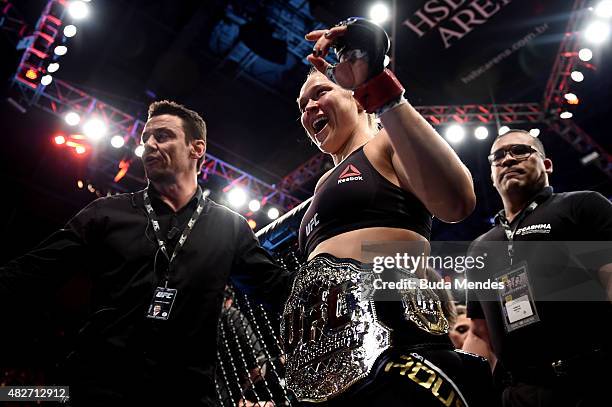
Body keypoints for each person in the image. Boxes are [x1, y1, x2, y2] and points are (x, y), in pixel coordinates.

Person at [0, 100, 289, 406]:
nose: (149, 145)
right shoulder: (106, 213)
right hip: (96, 389)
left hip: (185, 395)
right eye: (145, 139)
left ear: (197, 149)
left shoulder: (229, 228)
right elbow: (30, 271)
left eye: (162, 136)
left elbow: (281, 291)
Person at [282, 17, 496, 406]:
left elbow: (457, 200)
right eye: (302, 105)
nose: (309, 107)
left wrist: (378, 87)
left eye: (320, 92)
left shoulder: (383, 145)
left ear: (352, 93)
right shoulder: (317, 190)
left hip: (396, 357)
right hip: (327, 378)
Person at [463, 129, 612, 407]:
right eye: (498, 156)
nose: (507, 160)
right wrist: (466, 391)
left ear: (546, 164)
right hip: (519, 395)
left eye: (520, 150)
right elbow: (479, 331)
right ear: (493, 176)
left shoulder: (581, 205)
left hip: (591, 382)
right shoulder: (480, 247)